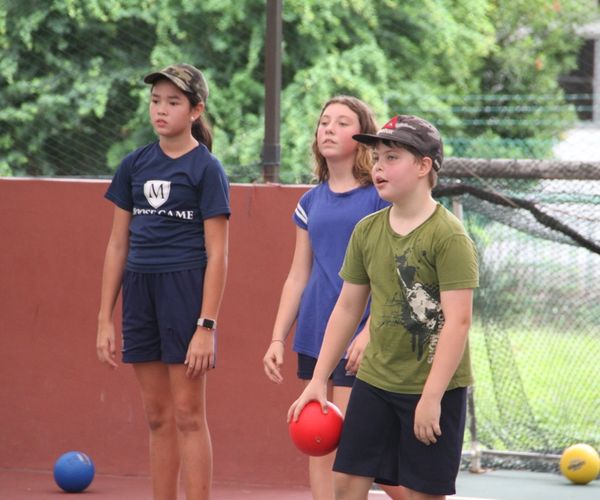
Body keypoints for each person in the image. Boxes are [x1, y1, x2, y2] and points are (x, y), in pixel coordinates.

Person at [288, 115, 479, 500]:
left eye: (392, 158)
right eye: (376, 158)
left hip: (432, 388)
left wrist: (431, 398)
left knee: (423, 494)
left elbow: (458, 323)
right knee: (346, 485)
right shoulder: (367, 230)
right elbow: (347, 308)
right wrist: (318, 380)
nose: (378, 167)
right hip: (375, 383)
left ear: (423, 166)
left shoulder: (449, 236)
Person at [96, 63, 230, 500]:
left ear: (196, 110)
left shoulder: (206, 169)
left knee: (189, 414)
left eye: (173, 102)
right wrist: (104, 318)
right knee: (157, 415)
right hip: (140, 292)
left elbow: (218, 254)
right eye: (155, 101)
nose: (161, 109)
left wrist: (205, 325)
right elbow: (118, 244)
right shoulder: (133, 164)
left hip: (184, 293)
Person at [263, 96, 406, 500]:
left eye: (342, 123)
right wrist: (277, 337)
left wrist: (369, 331)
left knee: (357, 453)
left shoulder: (378, 197)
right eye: (324, 121)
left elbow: (394, 274)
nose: (329, 128)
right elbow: (298, 274)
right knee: (319, 441)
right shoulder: (310, 202)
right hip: (315, 337)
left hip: (360, 339)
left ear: (362, 137)